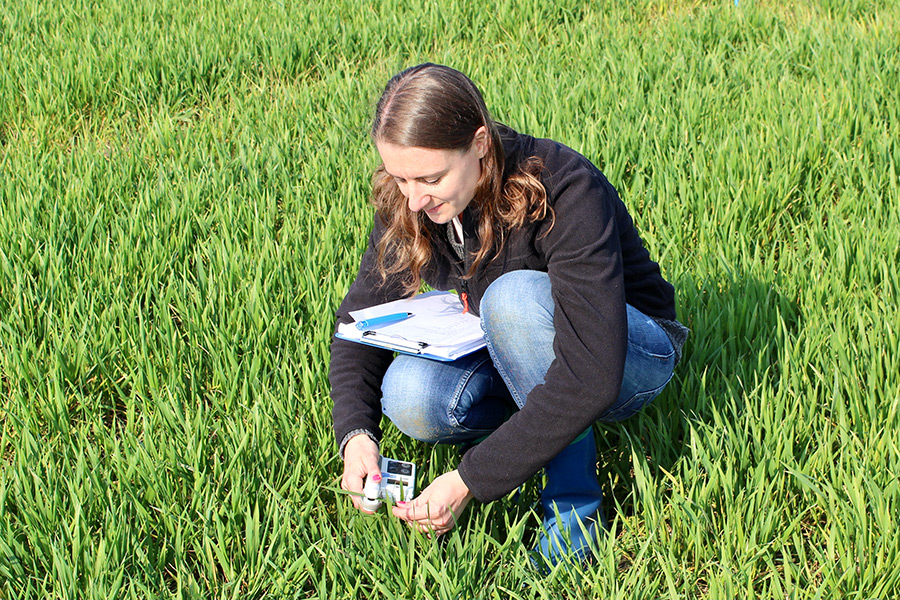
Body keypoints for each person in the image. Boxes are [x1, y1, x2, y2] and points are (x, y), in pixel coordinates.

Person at [330, 63, 688, 567]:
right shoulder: (413, 201)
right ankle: (536, 423)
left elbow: (592, 374)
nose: (413, 199)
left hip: (629, 354)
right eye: (400, 177)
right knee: (411, 395)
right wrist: (356, 435)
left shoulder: (563, 186)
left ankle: (574, 512)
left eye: (430, 178)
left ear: (479, 144)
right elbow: (358, 322)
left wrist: (470, 479)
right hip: (527, 351)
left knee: (511, 299)